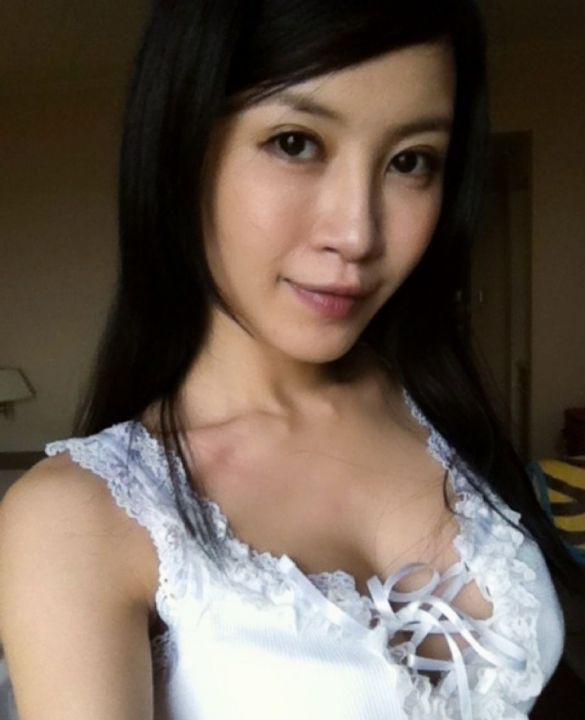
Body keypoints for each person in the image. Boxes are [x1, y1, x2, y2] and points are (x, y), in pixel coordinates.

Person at [0, 1, 582, 718]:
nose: (358, 233)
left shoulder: (436, 405)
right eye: (295, 142)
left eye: (409, 161)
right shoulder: (78, 520)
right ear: (181, 149)